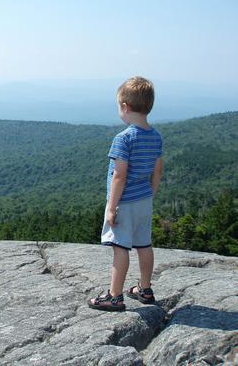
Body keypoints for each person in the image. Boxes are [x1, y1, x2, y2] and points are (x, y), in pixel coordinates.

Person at [88, 76, 163, 311]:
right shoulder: (155, 136)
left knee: (120, 247)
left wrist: (111, 207)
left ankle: (115, 296)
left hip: (125, 202)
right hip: (144, 200)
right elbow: (157, 171)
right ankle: (145, 288)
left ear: (125, 107)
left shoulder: (124, 138)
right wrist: (149, 194)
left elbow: (119, 176)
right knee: (144, 245)